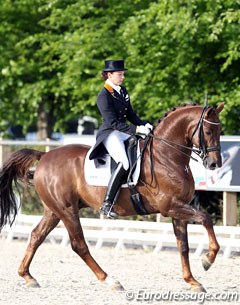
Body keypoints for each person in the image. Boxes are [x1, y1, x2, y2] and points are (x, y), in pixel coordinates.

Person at [89, 59, 153, 218]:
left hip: (123, 131)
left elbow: (131, 115)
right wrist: (136, 129)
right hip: (110, 133)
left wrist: (146, 124)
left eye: (123, 74)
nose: (123, 77)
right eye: (120, 74)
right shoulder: (103, 96)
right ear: (109, 75)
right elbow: (112, 122)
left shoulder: (122, 91)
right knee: (124, 162)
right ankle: (107, 204)